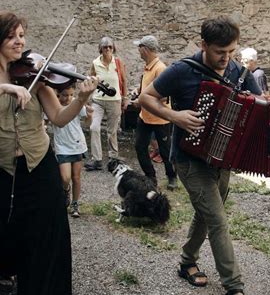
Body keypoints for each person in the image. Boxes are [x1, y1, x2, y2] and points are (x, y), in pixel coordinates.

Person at [139, 16, 270, 295]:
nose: (227, 59)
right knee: (218, 219)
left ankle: (186, 262)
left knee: (206, 213)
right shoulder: (182, 70)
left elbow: (267, 107)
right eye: (220, 52)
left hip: (224, 161)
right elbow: (146, 98)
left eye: (232, 52)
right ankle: (234, 287)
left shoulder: (238, 71)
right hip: (188, 160)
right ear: (203, 45)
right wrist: (175, 116)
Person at [0, 11, 98, 295]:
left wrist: (82, 98)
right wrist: (5, 89)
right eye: (12, 36)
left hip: (37, 160)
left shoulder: (36, 74)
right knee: (3, 218)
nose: (20, 41)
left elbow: (59, 117)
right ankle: (6, 267)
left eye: (22, 34)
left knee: (53, 224)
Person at [132, 35, 177, 190]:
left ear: (145, 49)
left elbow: (165, 95)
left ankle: (172, 177)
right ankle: (151, 178)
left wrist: (142, 100)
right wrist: (138, 91)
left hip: (160, 118)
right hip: (144, 117)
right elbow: (148, 88)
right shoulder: (148, 67)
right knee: (139, 146)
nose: (138, 50)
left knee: (165, 151)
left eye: (139, 47)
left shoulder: (160, 68)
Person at [84, 36, 128, 171]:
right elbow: (90, 80)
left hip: (114, 101)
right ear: (100, 49)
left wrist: (125, 98)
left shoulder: (118, 62)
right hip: (98, 100)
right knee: (94, 127)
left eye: (110, 47)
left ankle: (113, 157)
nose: (108, 49)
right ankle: (97, 159)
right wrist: (86, 98)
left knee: (112, 130)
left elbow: (124, 81)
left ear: (113, 48)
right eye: (105, 47)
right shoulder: (95, 63)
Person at [52, 85, 93, 218]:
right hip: (62, 146)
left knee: (76, 177)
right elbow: (46, 121)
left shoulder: (77, 104)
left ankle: (75, 204)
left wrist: (90, 116)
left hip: (77, 144)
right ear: (57, 94)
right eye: (64, 95)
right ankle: (65, 190)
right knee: (65, 178)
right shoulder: (52, 104)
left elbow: (87, 124)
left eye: (70, 95)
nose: (68, 98)